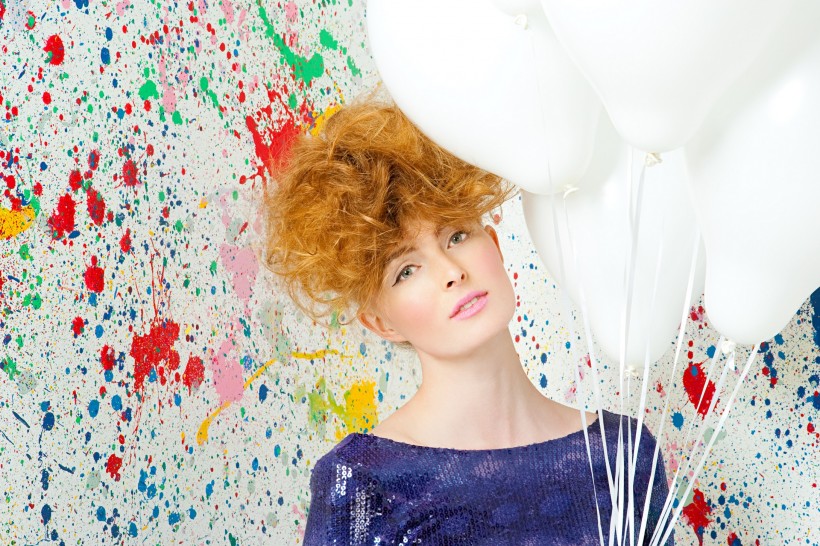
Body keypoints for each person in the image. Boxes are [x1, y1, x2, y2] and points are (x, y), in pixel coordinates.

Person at [263, 96, 673, 545]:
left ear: (493, 244)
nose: (451, 272)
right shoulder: (364, 484)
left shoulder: (624, 454)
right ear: (381, 323)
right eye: (406, 271)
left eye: (457, 235)